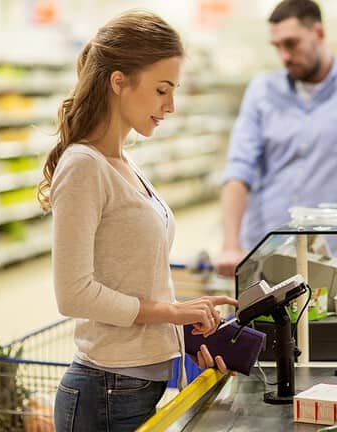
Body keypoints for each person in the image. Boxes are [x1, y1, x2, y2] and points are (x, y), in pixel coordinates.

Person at [37, 11, 238, 431]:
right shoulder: (84, 166)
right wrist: (170, 312)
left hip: (135, 383)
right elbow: (73, 294)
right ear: (118, 81)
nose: (171, 105)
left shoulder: (125, 162)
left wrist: (188, 326)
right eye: (162, 90)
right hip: (106, 390)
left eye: (174, 90)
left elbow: (135, 276)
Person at [215, 0, 337, 281]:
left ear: (318, 33)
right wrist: (230, 245)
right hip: (262, 251)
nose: (283, 55)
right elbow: (238, 170)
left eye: (291, 44)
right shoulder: (262, 91)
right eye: (277, 46)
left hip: (328, 258)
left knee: (322, 325)